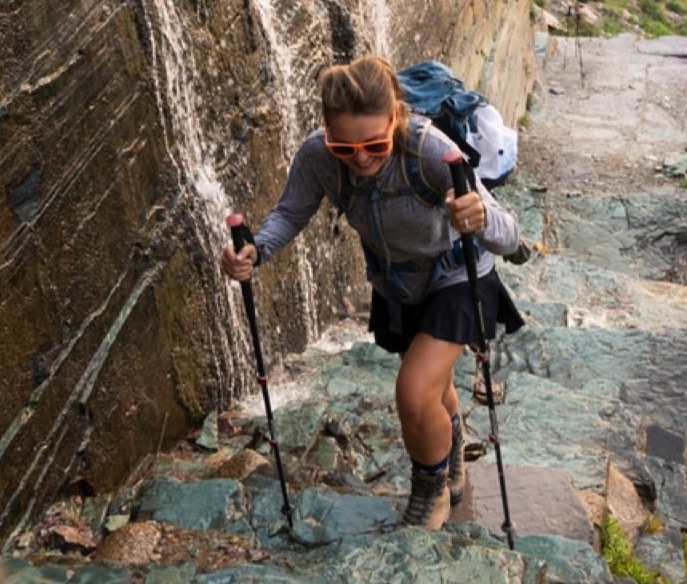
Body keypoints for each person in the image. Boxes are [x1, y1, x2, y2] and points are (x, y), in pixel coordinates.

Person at [220, 55, 525, 530]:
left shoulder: (430, 151)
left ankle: (430, 492)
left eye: (375, 145)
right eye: (345, 147)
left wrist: (478, 218)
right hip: (397, 285)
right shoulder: (318, 155)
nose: (360, 159)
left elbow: (509, 233)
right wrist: (255, 252)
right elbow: (290, 213)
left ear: (396, 119)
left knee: (413, 390)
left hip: (457, 278)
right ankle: (452, 452)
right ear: (326, 130)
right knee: (434, 386)